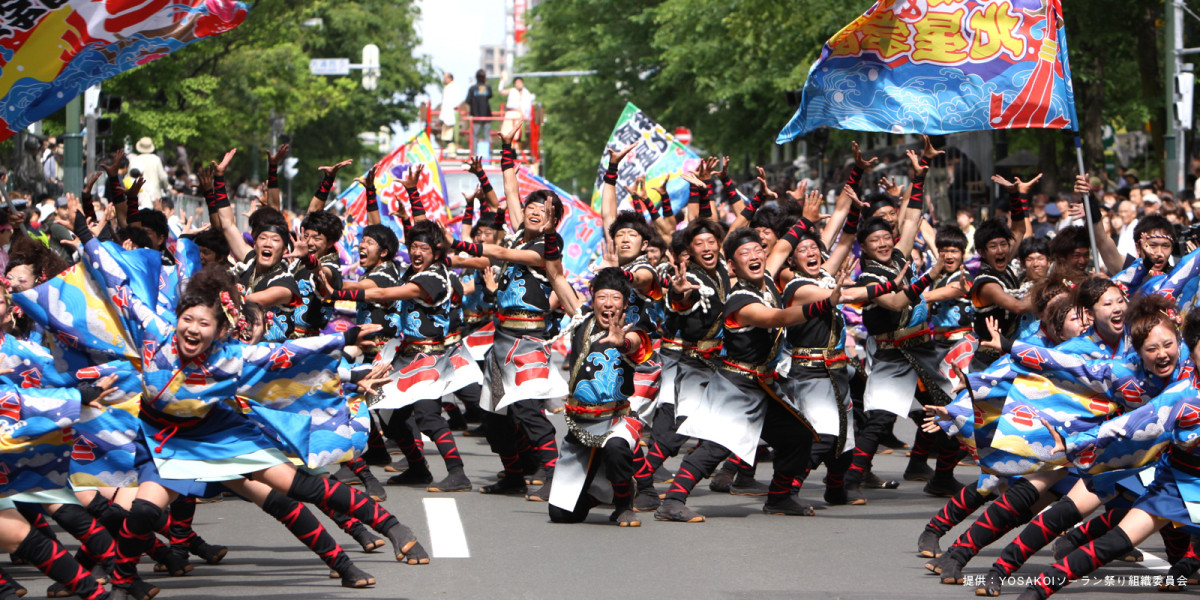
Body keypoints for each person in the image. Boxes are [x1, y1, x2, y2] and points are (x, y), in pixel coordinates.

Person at [127, 138, 170, 209]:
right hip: (155, 198)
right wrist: (165, 187)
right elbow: (163, 177)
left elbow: (128, 179)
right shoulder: (156, 160)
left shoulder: (134, 160)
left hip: (137, 198)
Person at [498, 76, 535, 158]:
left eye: (520, 82)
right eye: (517, 82)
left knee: (518, 136)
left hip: (521, 116)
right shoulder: (512, 91)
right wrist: (502, 80)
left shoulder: (526, 93)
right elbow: (501, 91)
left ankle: (515, 152)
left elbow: (528, 107)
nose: (518, 84)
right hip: (511, 114)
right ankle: (508, 150)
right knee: (507, 133)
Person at [465, 69, 493, 157]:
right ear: (485, 78)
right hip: (486, 115)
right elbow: (489, 96)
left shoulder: (472, 89)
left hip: (475, 116)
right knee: (486, 135)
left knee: (475, 136)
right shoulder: (487, 88)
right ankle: (487, 154)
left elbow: (468, 101)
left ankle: (474, 154)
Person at [438, 73, 463, 154]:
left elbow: (448, 103)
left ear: (449, 78)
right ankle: (450, 152)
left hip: (451, 112)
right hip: (448, 112)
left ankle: (452, 152)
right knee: (448, 134)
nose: (443, 80)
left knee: (452, 134)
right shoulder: (450, 87)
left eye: (445, 78)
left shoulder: (451, 87)